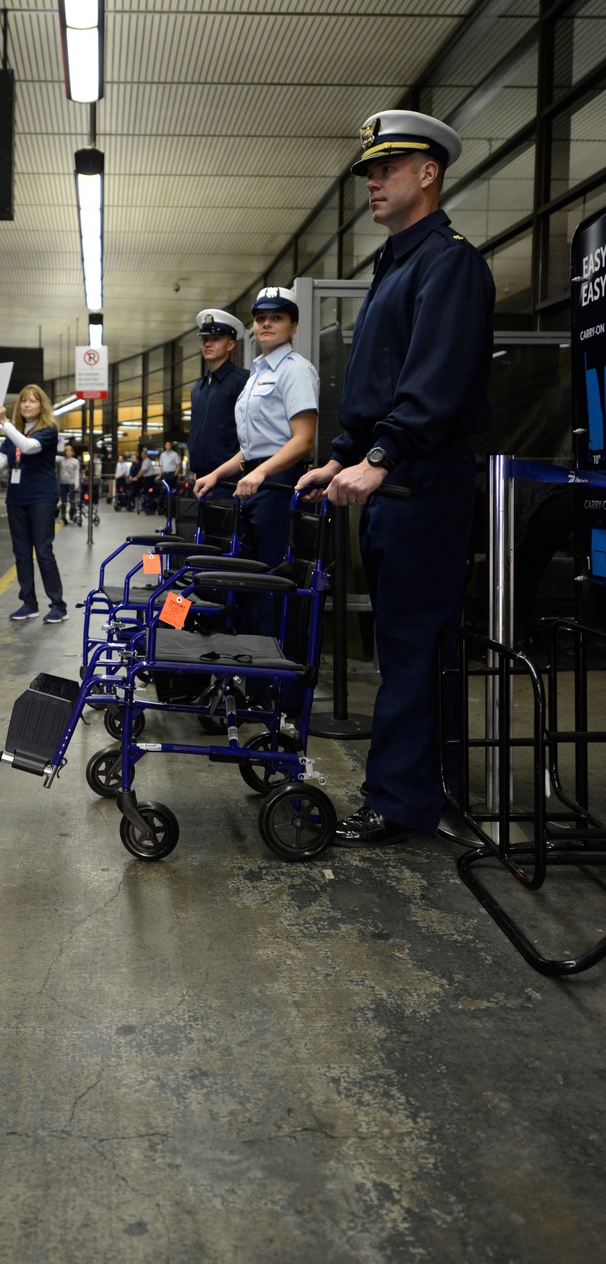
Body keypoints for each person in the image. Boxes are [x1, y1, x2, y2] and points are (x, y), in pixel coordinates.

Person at [297, 109, 495, 845]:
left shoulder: (450, 264)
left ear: (428, 173)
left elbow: (432, 387)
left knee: (411, 646)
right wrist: (342, 454)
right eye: (369, 171)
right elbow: (377, 387)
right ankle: (423, 786)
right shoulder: (395, 267)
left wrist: (378, 459)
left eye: (387, 168)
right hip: (390, 485)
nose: (373, 181)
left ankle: (400, 803)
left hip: (421, 485)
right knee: (406, 646)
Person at [194, 287, 319, 630]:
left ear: (293, 326)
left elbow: (303, 440)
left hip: (278, 489)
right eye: (261, 318)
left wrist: (260, 474)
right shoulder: (258, 373)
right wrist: (217, 474)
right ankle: (250, 663)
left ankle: (276, 671)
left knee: (272, 582)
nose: (266, 324)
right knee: (247, 582)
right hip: (253, 487)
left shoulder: (295, 370)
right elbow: (251, 449)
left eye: (276, 317)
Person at [0, 385, 67, 623]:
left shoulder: (48, 430)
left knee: (43, 551)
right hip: (16, 499)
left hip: (41, 498)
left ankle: (58, 606)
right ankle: (29, 604)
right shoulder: (14, 432)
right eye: (23, 401)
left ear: (41, 406)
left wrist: (4, 423)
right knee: (21, 553)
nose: (26, 405)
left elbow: (28, 447)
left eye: (32, 401)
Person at [187, 310, 249, 479]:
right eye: (205, 339)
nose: (208, 344)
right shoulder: (198, 388)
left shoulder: (243, 381)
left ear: (231, 345)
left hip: (230, 479)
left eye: (215, 339)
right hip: (201, 478)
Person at [56, 443, 81, 524]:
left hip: (71, 483)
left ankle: (71, 516)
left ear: (72, 452)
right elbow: (53, 457)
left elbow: (77, 473)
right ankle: (63, 517)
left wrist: (77, 484)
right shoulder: (61, 459)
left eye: (68, 451)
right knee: (63, 501)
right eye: (65, 451)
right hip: (62, 483)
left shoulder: (75, 461)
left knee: (72, 500)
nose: (66, 452)